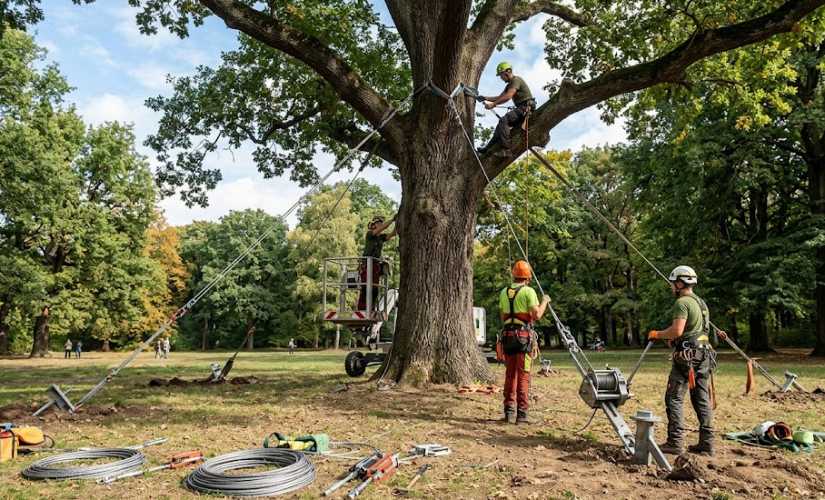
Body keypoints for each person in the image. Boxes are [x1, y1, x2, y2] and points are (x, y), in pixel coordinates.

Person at [648, 265, 719, 456]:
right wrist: (678, 340)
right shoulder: (701, 303)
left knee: (674, 398)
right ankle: (707, 443)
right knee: (701, 399)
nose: (671, 287)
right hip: (704, 356)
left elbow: (677, 330)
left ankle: (675, 442)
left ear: (680, 283)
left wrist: (659, 334)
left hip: (687, 359)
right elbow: (693, 330)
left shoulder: (682, 302)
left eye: (673, 284)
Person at [498, 260, 550, 424]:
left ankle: (509, 412)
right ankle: (522, 414)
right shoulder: (529, 291)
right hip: (523, 339)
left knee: (510, 375)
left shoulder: (504, 292)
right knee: (523, 375)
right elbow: (537, 315)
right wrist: (545, 302)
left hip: (508, 338)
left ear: (514, 275)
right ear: (527, 278)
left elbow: (503, 317)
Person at [476, 62, 536, 158]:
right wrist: (485, 98)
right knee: (501, 126)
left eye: (501, 75)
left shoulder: (516, 80)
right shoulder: (509, 85)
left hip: (525, 108)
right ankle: (488, 148)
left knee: (504, 120)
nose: (501, 78)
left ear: (508, 72)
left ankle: (506, 150)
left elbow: (508, 96)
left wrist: (493, 105)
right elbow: (499, 97)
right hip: (521, 109)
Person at [357, 215, 397, 310]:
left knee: (374, 289)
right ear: (373, 225)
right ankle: (362, 308)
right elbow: (382, 229)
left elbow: (392, 234)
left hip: (375, 265)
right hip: (367, 264)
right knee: (366, 287)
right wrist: (392, 220)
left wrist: (398, 223)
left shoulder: (380, 238)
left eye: (380, 223)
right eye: (378, 223)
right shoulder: (370, 234)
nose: (380, 224)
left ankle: (371, 307)